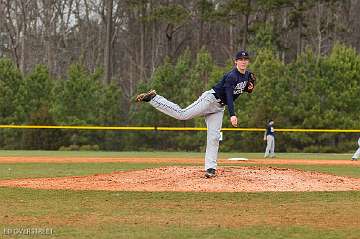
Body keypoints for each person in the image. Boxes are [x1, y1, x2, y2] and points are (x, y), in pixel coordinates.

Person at [135, 50, 256, 178]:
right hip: (210, 100)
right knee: (183, 114)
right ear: (235, 61)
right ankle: (154, 98)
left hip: (219, 108)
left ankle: (210, 168)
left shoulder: (248, 75)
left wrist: (251, 86)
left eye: (245, 59)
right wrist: (233, 114)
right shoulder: (232, 76)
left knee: (214, 137)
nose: (243, 62)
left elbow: (248, 89)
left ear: (248, 61)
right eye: (240, 60)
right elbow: (229, 96)